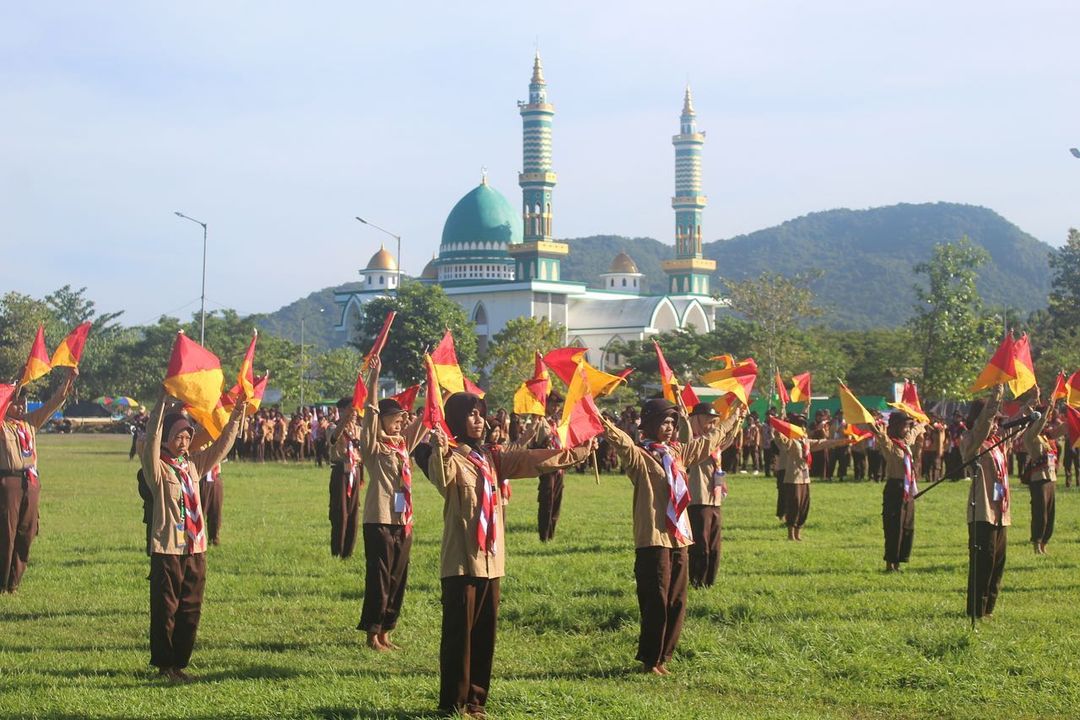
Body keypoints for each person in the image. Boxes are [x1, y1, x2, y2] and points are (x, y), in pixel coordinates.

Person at [427, 392, 590, 717]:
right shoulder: (453, 458)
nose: (479, 420)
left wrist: (577, 452)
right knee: (459, 637)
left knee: (485, 635)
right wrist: (440, 447)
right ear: (457, 419)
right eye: (471, 414)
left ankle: (476, 701)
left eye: (481, 414)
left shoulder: (493, 458)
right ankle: (453, 703)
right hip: (462, 561)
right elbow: (441, 477)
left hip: (491, 561)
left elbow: (534, 459)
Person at [601, 398, 728, 676]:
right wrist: (601, 421)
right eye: (663, 421)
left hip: (679, 537)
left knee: (677, 599)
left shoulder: (679, 453)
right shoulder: (639, 456)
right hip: (653, 537)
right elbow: (621, 442)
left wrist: (735, 419)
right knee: (655, 599)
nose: (669, 427)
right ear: (649, 424)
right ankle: (650, 659)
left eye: (672, 422)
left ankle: (664, 656)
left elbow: (708, 441)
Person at [141, 393, 243, 681]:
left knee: (191, 607)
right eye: (178, 436)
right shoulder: (157, 468)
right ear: (166, 439)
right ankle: (164, 665)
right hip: (169, 547)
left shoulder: (193, 466)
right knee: (166, 608)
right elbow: (150, 439)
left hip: (196, 547)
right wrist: (161, 403)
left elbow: (223, 445)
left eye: (187, 436)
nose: (184, 441)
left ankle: (180, 663)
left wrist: (237, 415)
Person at [356, 358, 426, 651]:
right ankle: (372, 633)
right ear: (383, 419)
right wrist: (374, 380)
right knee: (380, 578)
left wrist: (437, 387)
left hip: (402, 520)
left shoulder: (402, 445)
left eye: (402, 417)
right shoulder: (373, 446)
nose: (401, 421)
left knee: (398, 578)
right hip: (379, 519)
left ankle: (387, 630)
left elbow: (426, 420)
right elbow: (370, 414)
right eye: (396, 417)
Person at [1, 368, 77, 593]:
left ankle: (14, 581)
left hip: (31, 482)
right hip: (8, 483)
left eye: (23, 402)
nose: (21, 406)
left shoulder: (29, 423)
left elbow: (53, 404)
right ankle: (1, 582)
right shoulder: (2, 425)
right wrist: (12, 384)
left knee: (27, 531)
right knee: (6, 533)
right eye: (16, 402)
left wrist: (67, 381)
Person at [685, 403, 744, 588]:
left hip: (714, 499)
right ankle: (696, 580)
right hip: (698, 498)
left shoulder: (713, 446)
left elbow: (727, 439)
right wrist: (732, 418)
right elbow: (715, 438)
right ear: (696, 420)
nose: (711, 425)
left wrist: (739, 418)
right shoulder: (691, 442)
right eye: (707, 421)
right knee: (700, 545)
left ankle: (709, 582)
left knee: (714, 545)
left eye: (713, 422)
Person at [962, 384, 1007, 620]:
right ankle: (976, 611)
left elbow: (1025, 426)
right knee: (983, 562)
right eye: (994, 419)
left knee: (997, 562)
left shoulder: (997, 442)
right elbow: (982, 427)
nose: (997, 424)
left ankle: (989, 608)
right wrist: (995, 397)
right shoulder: (972, 441)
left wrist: (1036, 404)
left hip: (1000, 510)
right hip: (982, 510)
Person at [773, 413, 849, 541]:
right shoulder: (791, 441)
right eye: (800, 426)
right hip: (793, 478)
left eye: (804, 426)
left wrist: (842, 441)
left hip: (805, 477)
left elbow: (822, 443)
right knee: (794, 504)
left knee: (804, 505)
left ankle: (798, 532)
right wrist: (780, 425)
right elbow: (779, 437)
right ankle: (790, 533)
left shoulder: (806, 442)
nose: (803, 429)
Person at [872, 411, 926, 571]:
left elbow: (915, 433)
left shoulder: (906, 442)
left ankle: (900, 559)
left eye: (908, 426)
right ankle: (890, 562)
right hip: (895, 489)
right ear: (896, 427)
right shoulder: (890, 444)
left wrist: (921, 424)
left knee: (907, 525)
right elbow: (882, 439)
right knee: (893, 526)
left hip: (908, 488)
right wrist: (877, 429)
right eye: (904, 426)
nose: (907, 429)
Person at [1021, 391, 1062, 555]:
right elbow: (1039, 423)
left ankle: (1045, 542)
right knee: (1040, 513)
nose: (1046, 421)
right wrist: (1049, 407)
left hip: (1050, 478)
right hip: (1039, 479)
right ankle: (1036, 543)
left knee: (1051, 514)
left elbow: (1064, 429)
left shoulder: (1046, 437)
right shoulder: (1031, 435)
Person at [329, 397, 363, 559]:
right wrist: (344, 421)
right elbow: (333, 438)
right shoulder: (333, 426)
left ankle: (348, 552)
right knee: (340, 512)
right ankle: (337, 550)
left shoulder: (358, 429)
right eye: (350, 409)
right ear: (342, 410)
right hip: (340, 473)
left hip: (355, 472)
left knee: (354, 512)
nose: (354, 413)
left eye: (355, 410)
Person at [531, 392, 566, 542]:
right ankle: (544, 536)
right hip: (547, 466)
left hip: (560, 466)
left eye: (557, 405)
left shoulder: (558, 422)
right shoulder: (540, 421)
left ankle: (552, 533)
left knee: (557, 500)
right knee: (547, 500)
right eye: (552, 404)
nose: (555, 407)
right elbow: (535, 443)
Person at [199, 462, 224, 546]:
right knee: (199, 513)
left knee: (216, 512)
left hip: (215, 477)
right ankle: (196, 541)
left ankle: (214, 540)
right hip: (201, 477)